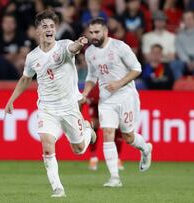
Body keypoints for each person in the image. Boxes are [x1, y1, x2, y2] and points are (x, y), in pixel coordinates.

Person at [4, 10, 96, 198]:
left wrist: (80, 43)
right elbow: (25, 79)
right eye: (45, 26)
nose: (49, 29)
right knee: (47, 145)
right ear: (37, 31)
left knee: (78, 149)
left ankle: (88, 130)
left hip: (69, 105)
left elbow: (74, 49)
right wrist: (11, 100)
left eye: (52, 26)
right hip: (47, 107)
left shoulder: (64, 46)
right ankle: (58, 188)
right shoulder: (32, 57)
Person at [81, 17, 152, 187]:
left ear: (105, 31)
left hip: (126, 95)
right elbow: (92, 76)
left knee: (128, 136)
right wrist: (85, 92)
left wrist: (119, 83)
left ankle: (146, 149)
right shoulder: (90, 52)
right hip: (106, 99)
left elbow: (137, 68)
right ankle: (114, 178)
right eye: (91, 33)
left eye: (97, 32)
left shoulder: (120, 47)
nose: (94, 36)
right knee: (107, 133)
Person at [84, 85, 125, 171]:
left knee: (117, 129)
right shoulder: (97, 75)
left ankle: (116, 159)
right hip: (96, 99)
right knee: (94, 127)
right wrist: (88, 94)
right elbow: (91, 79)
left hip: (111, 101)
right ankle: (93, 158)